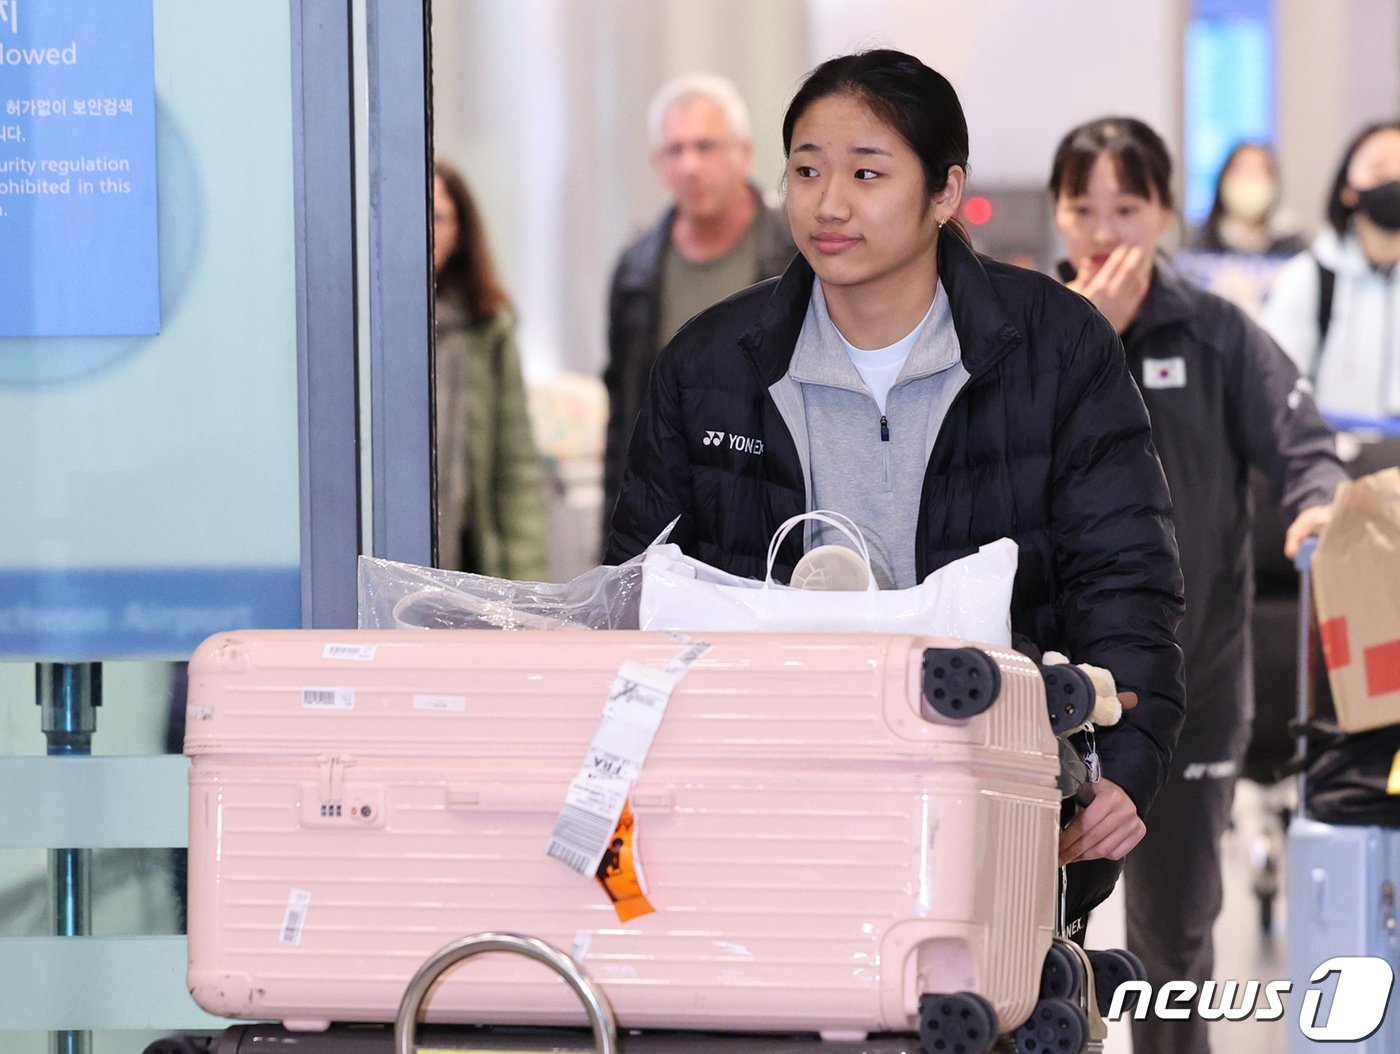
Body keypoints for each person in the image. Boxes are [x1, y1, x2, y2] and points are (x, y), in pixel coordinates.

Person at [607, 50, 1187, 945]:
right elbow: (640, 589)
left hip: (994, 804)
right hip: (760, 820)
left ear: (945, 191)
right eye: (806, 170)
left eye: (867, 172)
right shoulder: (710, 365)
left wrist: (1127, 766)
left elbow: (1126, 572)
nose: (828, 202)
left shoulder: (1054, 347)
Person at [1049, 116, 1347, 1054]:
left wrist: (1317, 506)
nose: (1102, 230)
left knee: (1172, 949)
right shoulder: (1022, 329)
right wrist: (1084, 337)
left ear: (1170, 211)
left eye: (1126, 208)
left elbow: (1304, 445)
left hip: (1195, 691)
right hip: (1051, 695)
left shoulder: (1216, 333)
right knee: (1033, 944)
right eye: (1081, 206)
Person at [602, 73, 794, 526]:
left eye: (706, 146)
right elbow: (622, 415)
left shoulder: (795, 255)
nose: (690, 165)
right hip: (672, 512)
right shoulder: (637, 271)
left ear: (743, 153)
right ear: (658, 163)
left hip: (776, 503)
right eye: (675, 149)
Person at [433, 160, 550, 580]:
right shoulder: (370, 333)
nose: (422, 228)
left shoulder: (486, 326)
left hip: (469, 557)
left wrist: (526, 583)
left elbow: (515, 463)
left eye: (437, 217)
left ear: (460, 233)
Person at [1259, 120, 1400, 423]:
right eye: (1379, 169)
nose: (1394, 180)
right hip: (1333, 456)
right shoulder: (1309, 277)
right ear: (1348, 189)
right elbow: (1271, 388)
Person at [1193, 141, 1306, 257]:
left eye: (1258, 170)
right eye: (1241, 170)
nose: (1249, 179)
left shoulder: (1292, 243)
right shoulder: (1203, 241)